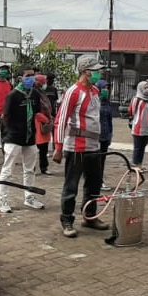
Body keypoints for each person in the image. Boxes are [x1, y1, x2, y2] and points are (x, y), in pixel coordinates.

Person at [53, 55, 108, 237]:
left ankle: (90, 217)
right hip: (76, 146)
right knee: (71, 186)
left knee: (94, 185)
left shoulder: (94, 92)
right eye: (95, 71)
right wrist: (58, 147)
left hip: (94, 146)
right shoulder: (73, 92)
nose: (99, 74)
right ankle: (67, 220)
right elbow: (61, 120)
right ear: (85, 71)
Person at [0, 68, 46, 213]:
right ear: (20, 78)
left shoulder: (35, 94)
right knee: (8, 170)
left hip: (30, 137)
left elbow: (37, 112)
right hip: (14, 137)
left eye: (33, 76)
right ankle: (3, 200)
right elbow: (5, 116)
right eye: (27, 76)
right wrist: (8, 134)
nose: (31, 78)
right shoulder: (13, 95)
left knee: (30, 169)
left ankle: (29, 197)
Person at [128, 80, 148, 170]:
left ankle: (140, 164)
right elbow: (131, 111)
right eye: (145, 87)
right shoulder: (137, 99)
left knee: (142, 147)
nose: (147, 89)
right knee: (138, 147)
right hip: (138, 127)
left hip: (147, 128)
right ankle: (135, 164)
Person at [33, 74, 54, 175]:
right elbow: (35, 110)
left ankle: (44, 167)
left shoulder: (42, 93)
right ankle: (32, 168)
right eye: (44, 81)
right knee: (34, 147)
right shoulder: (34, 94)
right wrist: (45, 119)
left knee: (44, 147)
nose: (45, 83)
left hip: (45, 123)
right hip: (38, 123)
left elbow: (47, 107)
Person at [96, 79, 115, 176]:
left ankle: (100, 178)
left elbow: (109, 120)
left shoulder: (107, 104)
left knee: (102, 159)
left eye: (107, 88)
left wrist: (110, 135)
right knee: (96, 159)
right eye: (103, 88)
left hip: (105, 135)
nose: (106, 90)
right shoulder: (95, 102)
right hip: (96, 136)